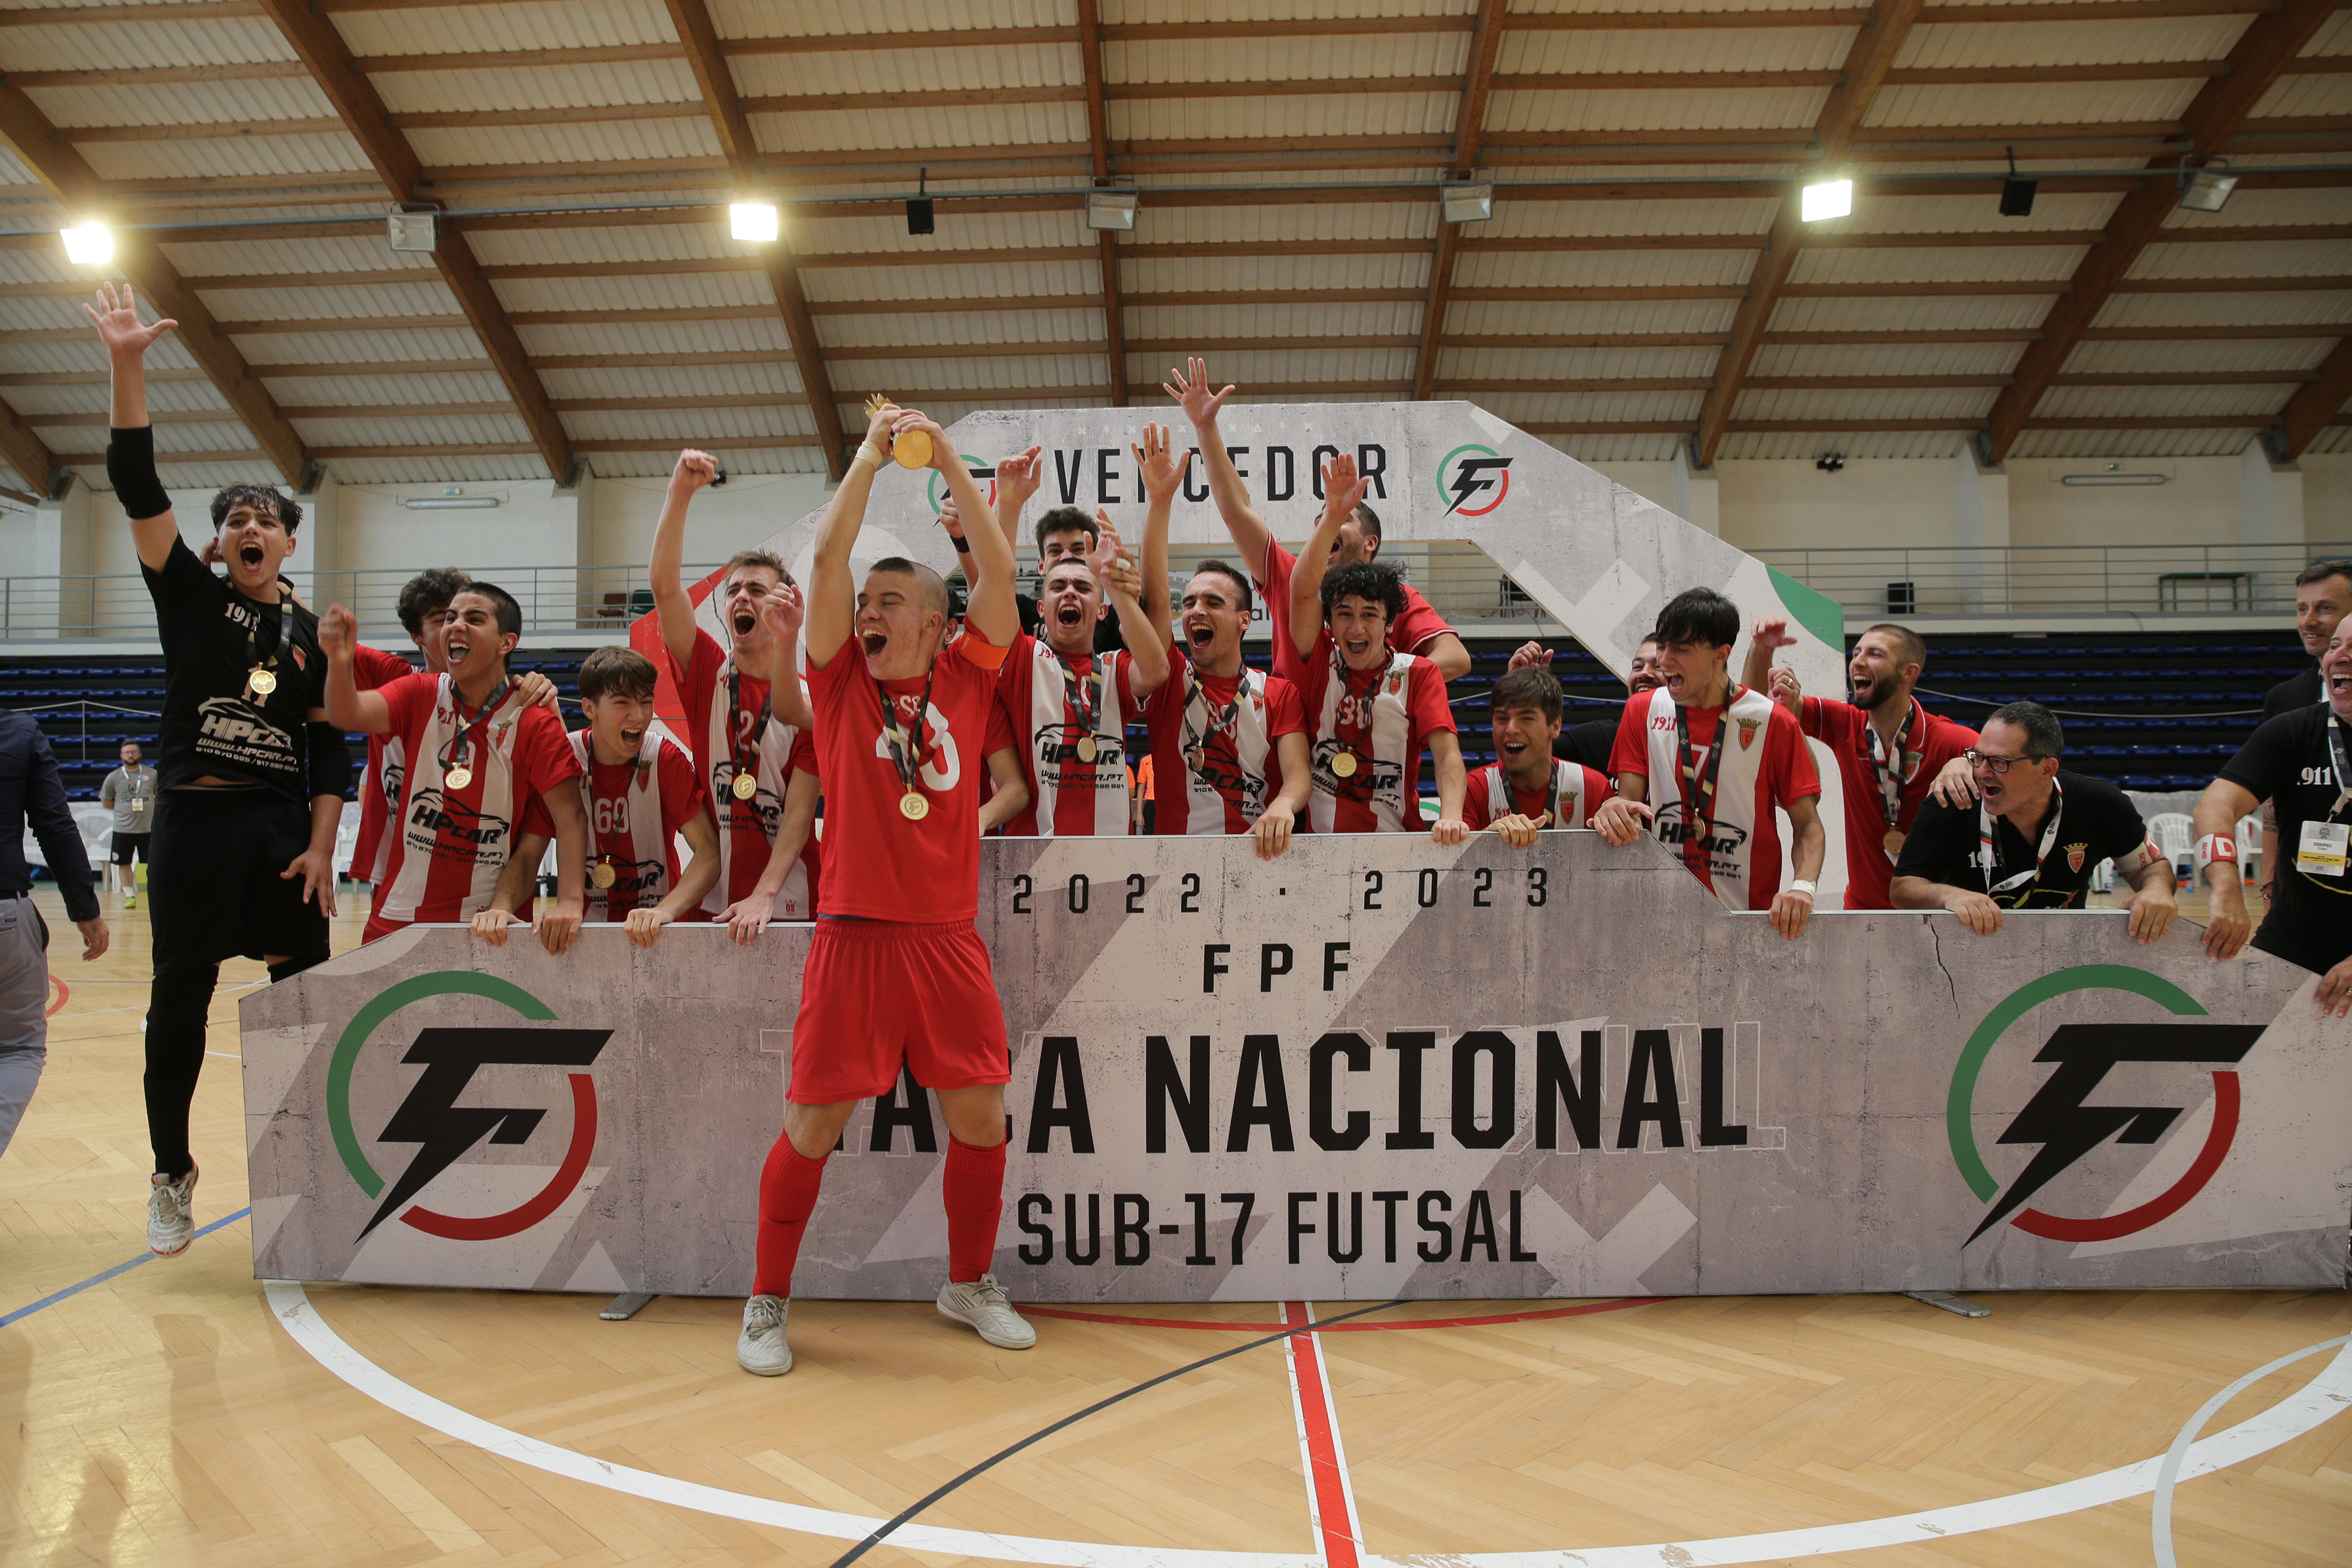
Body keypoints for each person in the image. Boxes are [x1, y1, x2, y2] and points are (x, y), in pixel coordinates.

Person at [738, 402, 1033, 1377]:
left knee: (982, 1120)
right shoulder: (839, 687)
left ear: (938, 623)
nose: (870, 612)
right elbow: (825, 563)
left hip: (947, 938)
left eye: (892, 602)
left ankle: (969, 1282)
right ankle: (766, 1303)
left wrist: (946, 454)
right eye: (868, 604)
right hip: (855, 935)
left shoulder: (969, 677)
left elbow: (997, 576)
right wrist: (870, 455)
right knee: (813, 1125)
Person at [88, 282, 350, 1258]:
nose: (250, 525)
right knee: (180, 1003)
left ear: (287, 539)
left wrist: (324, 847)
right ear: (223, 540)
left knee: (298, 1008)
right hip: (195, 827)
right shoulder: (190, 600)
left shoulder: (315, 637)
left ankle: (304, 1175)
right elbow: (134, 483)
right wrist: (127, 364)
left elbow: (329, 747)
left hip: (284, 835)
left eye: (265, 517)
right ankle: (171, 1173)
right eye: (236, 516)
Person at [1165, 358, 1471, 685]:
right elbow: (1237, 509)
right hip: (1295, 730)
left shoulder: (1398, 596)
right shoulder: (1288, 576)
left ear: (1370, 542)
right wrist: (1205, 428)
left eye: (1342, 517)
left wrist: (1380, 686)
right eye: (1321, 520)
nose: (1326, 524)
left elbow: (1455, 657)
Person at [321, 583, 589, 952]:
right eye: (450, 617)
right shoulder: (419, 692)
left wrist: (571, 900)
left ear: (505, 643)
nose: (456, 625)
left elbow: (571, 814)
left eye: (474, 619)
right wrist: (338, 662)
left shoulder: (533, 719)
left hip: (488, 922)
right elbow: (346, 713)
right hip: (398, 915)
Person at [649, 451, 823, 939]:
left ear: (786, 602)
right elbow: (664, 589)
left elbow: (798, 813)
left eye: (756, 588)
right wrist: (679, 494)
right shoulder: (706, 671)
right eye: (733, 591)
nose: (741, 597)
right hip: (716, 896)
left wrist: (765, 893)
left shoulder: (809, 701)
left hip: (791, 898)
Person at [1594, 587, 1824, 938]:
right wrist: (1612, 807)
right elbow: (1631, 809)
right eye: (1662, 646)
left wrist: (1802, 888)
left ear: (1721, 654)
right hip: (1659, 917)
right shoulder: (1642, 710)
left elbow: (1808, 826)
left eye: (1681, 650)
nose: (1665, 661)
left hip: (1748, 921)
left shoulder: (1772, 721)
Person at [1134, 427, 1311, 853]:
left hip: (1261, 865)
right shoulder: (1167, 678)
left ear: (1244, 620)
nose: (1196, 610)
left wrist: (1286, 805)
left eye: (1213, 602)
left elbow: (1299, 773)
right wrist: (1159, 503)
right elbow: (1155, 600)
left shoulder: (1278, 693)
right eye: (1190, 601)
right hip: (1176, 868)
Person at [478, 647, 720, 949]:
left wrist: (664, 911)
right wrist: (501, 906)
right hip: (584, 935)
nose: (639, 716)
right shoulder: (563, 759)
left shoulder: (664, 759)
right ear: (590, 708)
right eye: (623, 703)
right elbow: (528, 856)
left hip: (659, 933)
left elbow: (709, 852)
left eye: (646, 703)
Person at [988, 443, 1170, 836]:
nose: (1070, 591)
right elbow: (995, 584)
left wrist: (1115, 587)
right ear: (1040, 608)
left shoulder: (1114, 667)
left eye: (1084, 588)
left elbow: (1156, 670)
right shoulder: (1024, 660)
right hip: (1031, 857)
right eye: (1057, 586)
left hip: (1109, 860)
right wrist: (1009, 505)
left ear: (1102, 610)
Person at [1741, 618, 1979, 911]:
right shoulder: (1846, 724)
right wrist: (1761, 649)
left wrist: (1966, 760)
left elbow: (1994, 757)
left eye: (1875, 654)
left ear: (1909, 672)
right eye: (1856, 653)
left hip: (1937, 916)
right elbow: (1752, 710)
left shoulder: (1947, 738)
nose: (1858, 662)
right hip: (1861, 913)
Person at [1287, 455, 1467, 839]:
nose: (1356, 626)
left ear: (1388, 624)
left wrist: (1451, 815)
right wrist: (1333, 516)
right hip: (1320, 852)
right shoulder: (1318, 660)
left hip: (1396, 847)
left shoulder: (1418, 673)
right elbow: (1302, 593)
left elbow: (1448, 756)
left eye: (1370, 615)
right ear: (1329, 623)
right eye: (1344, 614)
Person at [1891, 700, 2176, 939]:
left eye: (2000, 762)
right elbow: (1903, 889)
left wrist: (2157, 889)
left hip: (2064, 954)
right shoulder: (1952, 799)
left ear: (2046, 769)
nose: (1982, 772)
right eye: (1978, 757)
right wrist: (1948, 896)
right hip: (1969, 955)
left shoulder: (2101, 803)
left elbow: (2149, 867)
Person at [2193, 626, 2352, 1015]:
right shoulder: (2293, 730)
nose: (2339, 656)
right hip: (2293, 941)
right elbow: (2215, 806)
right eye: (2335, 646)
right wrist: (2227, 885)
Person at [0, 709, 108, 1162]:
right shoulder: (18, 731)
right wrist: (84, 908)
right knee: (19, 1050)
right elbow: (54, 823)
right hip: (5, 910)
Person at [350, 568, 466, 887]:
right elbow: (316, 630)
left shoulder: (501, 695)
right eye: (442, 619)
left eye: (461, 616)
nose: (455, 627)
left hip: (468, 868)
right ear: (417, 636)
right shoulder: (395, 679)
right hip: (396, 869)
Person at [2255, 560, 2351, 900]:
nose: (2308, 621)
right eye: (2302, 609)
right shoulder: (2286, 698)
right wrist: (2269, 884)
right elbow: (2273, 801)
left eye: (2325, 608)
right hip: (2307, 891)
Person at [1463, 668, 1614, 845]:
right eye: (1502, 719)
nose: (1511, 729)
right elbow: (1449, 864)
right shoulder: (1474, 788)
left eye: (1526, 719)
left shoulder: (1592, 786)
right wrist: (1487, 838)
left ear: (1555, 726)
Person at [1509, 637, 1664, 771]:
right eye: (1637, 667)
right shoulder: (1596, 740)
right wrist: (1523, 693)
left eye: (1658, 666)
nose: (1644, 673)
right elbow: (1526, 760)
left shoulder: (1686, 740)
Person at [1011, 502, 1126, 655]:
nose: (1066, 557)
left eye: (1078, 549)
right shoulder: (1022, 611)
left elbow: (1154, 664)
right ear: (1041, 565)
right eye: (1055, 551)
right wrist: (1007, 505)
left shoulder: (1114, 617)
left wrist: (1118, 582)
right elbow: (992, 583)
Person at [96, 740, 154, 906]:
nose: (131, 755)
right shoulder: (114, 777)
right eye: (127, 752)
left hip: (148, 828)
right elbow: (106, 801)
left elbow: (159, 795)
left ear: (140, 754)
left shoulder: (152, 775)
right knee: (124, 862)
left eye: (134, 752)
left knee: (153, 862)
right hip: (123, 829)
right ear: (122, 756)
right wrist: (123, 809)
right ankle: (130, 896)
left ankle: (154, 893)